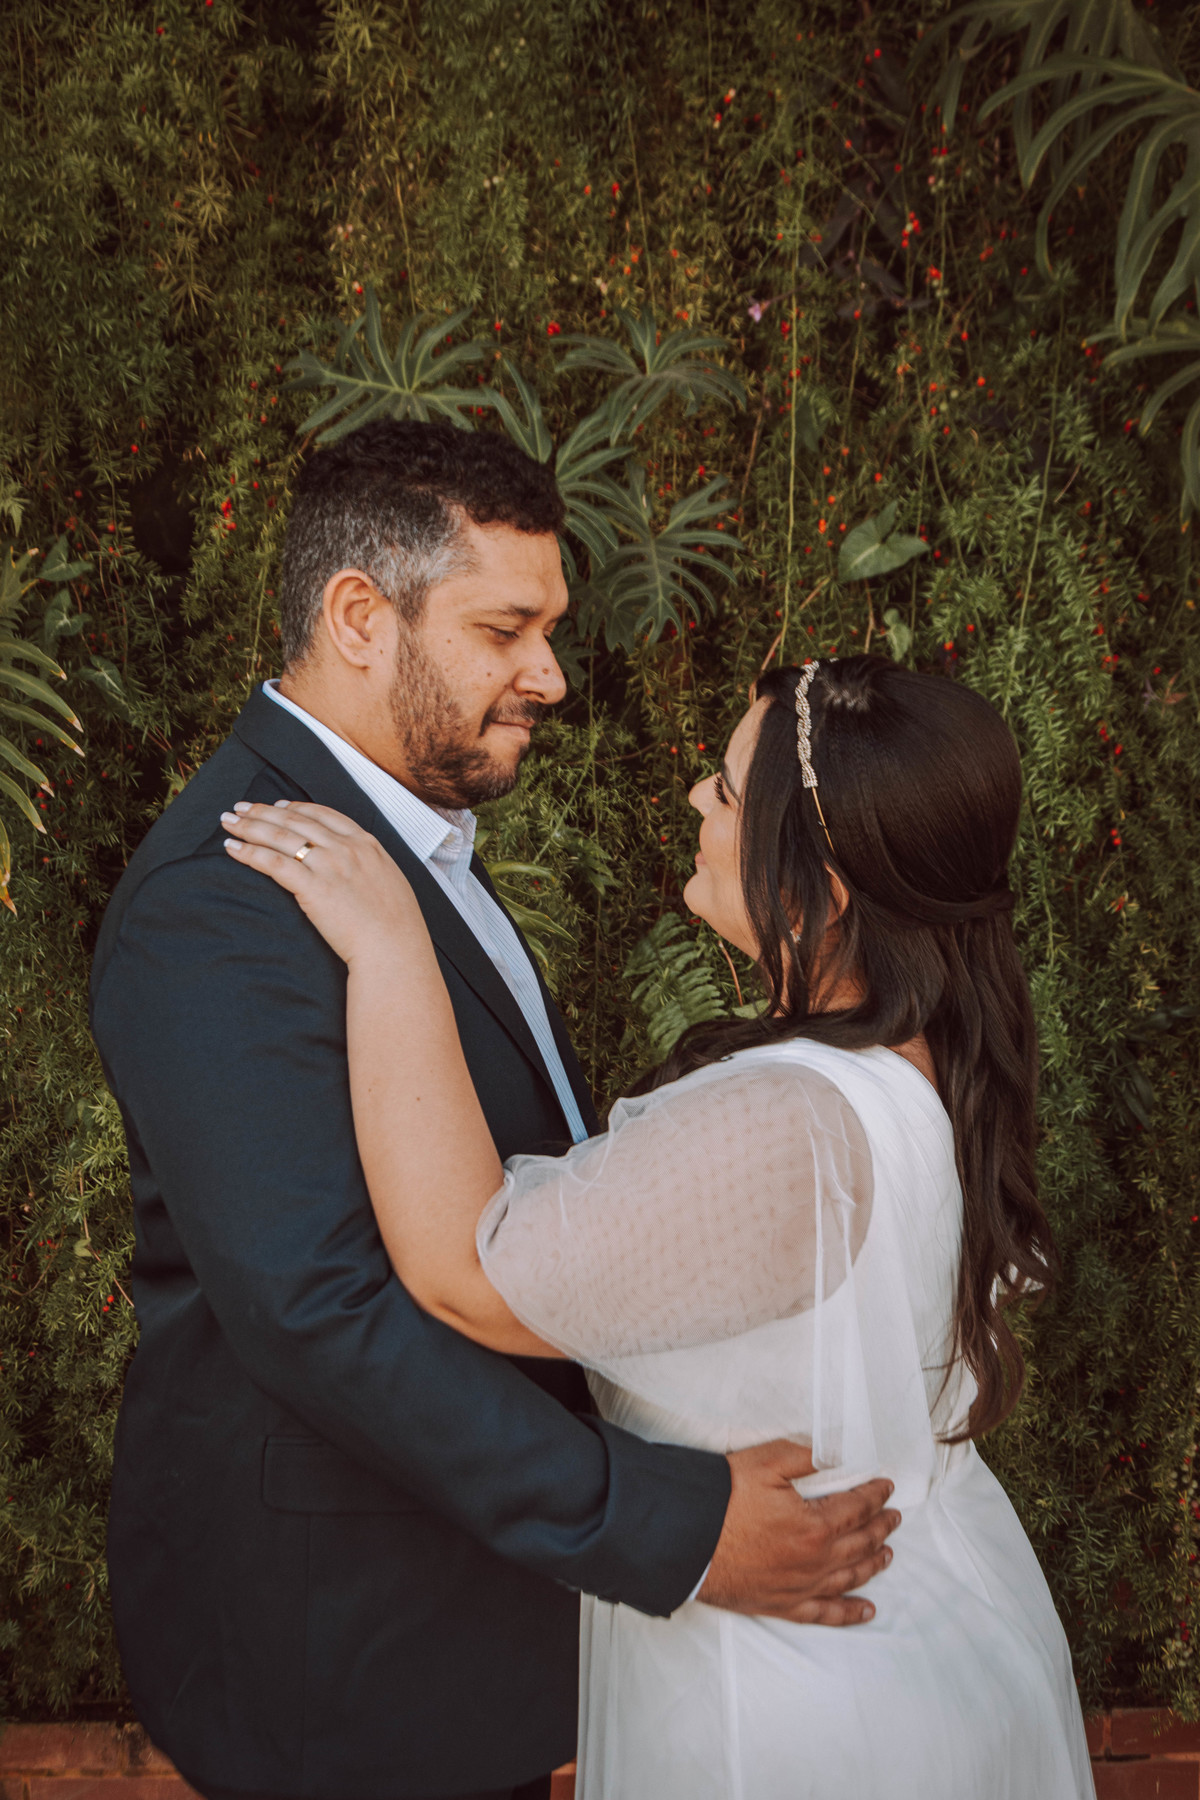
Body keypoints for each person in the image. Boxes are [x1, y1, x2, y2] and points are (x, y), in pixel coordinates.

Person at [88, 422, 898, 1800]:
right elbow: (320, 1311)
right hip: (347, 1659)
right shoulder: (224, 901)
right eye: (504, 630)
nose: (552, 676)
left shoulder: (398, 843)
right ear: (360, 618)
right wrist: (671, 1525)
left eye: (551, 630)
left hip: (460, 1622)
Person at [221, 652, 1098, 1799]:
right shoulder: (920, 1068)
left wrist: (392, 943)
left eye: (726, 791)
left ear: (827, 885)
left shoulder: (789, 1125)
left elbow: (465, 1273)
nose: (695, 799)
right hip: (927, 1632)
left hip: (796, 1706)